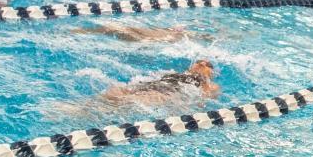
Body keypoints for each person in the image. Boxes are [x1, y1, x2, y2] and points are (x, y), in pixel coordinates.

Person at [70, 59, 221, 114]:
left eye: (208, 65)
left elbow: (202, 102)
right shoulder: (175, 73)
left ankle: (91, 114)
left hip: (166, 93)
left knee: (127, 102)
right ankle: (79, 108)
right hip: (150, 85)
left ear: (211, 73)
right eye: (200, 62)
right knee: (115, 91)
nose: (202, 64)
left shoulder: (210, 85)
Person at [74, 22, 211, 43]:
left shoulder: (178, 34)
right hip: (151, 36)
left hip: (150, 37)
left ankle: (79, 31)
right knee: (112, 28)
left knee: (112, 28)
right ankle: (80, 31)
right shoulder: (182, 35)